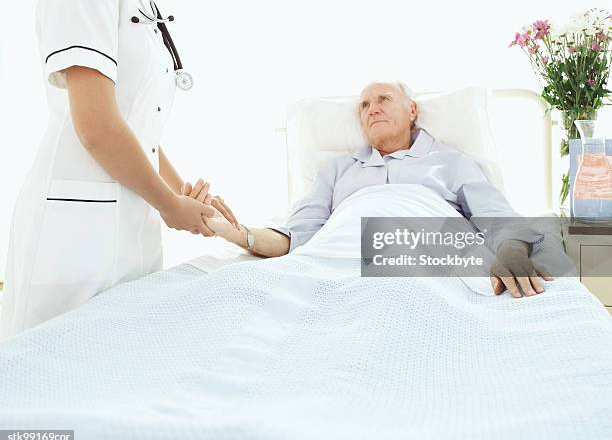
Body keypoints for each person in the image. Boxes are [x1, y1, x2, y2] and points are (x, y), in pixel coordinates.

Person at [0, 0, 237, 339]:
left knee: (115, 375)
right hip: (74, 231)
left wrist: (181, 192)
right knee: (50, 384)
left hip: (129, 227)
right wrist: (172, 206)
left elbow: (137, 127)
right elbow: (97, 126)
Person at [195, 81, 556, 299]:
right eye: (364, 105)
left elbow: (496, 217)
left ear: (412, 109)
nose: (371, 109)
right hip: (342, 252)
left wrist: (511, 253)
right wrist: (239, 234)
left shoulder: (450, 161)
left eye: (383, 99)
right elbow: (298, 236)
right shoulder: (337, 169)